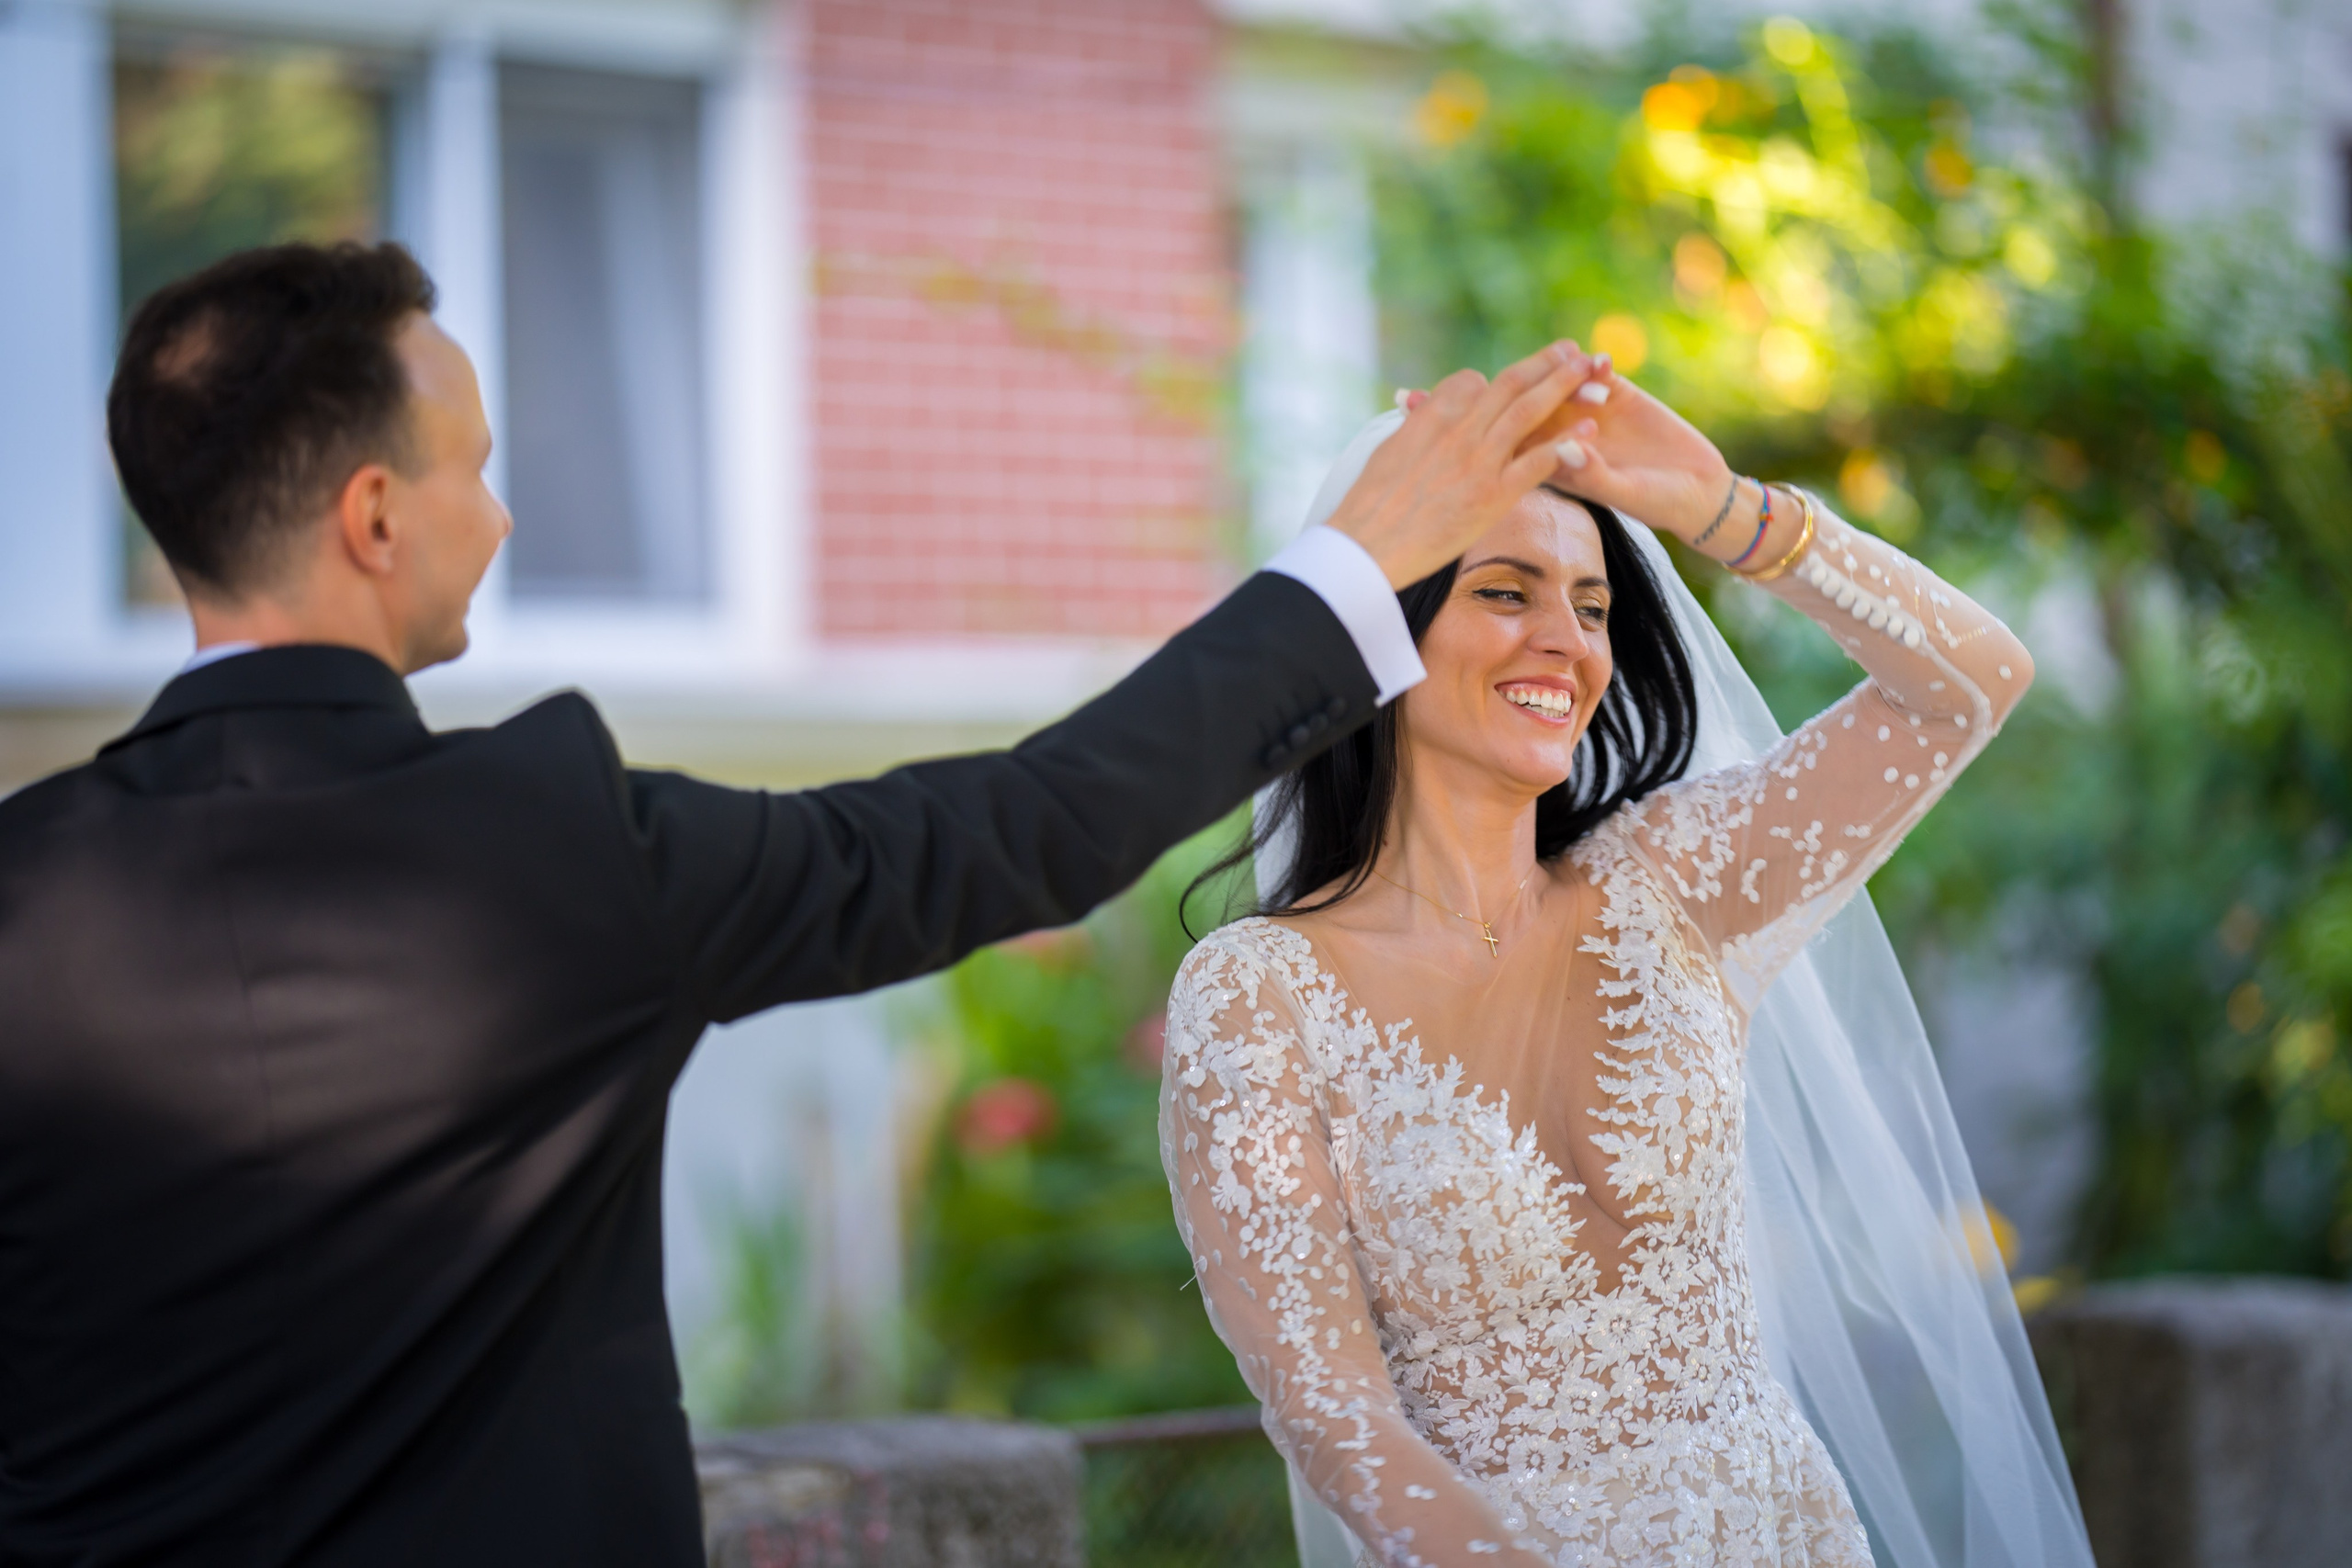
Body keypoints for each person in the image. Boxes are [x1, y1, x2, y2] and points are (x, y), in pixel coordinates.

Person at [0, 240, 1602, 1568]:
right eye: (474, 470)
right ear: (370, 518)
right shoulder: (559, 842)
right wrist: (1349, 568)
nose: (497, 516)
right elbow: (1028, 826)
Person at [1159, 374, 2098, 1566]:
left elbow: (1969, 683)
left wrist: (1721, 505)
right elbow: (1337, 1420)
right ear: (1377, 631)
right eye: (1506, 592)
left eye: (1593, 605)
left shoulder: (1675, 884)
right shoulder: (1257, 998)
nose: (1565, 639)